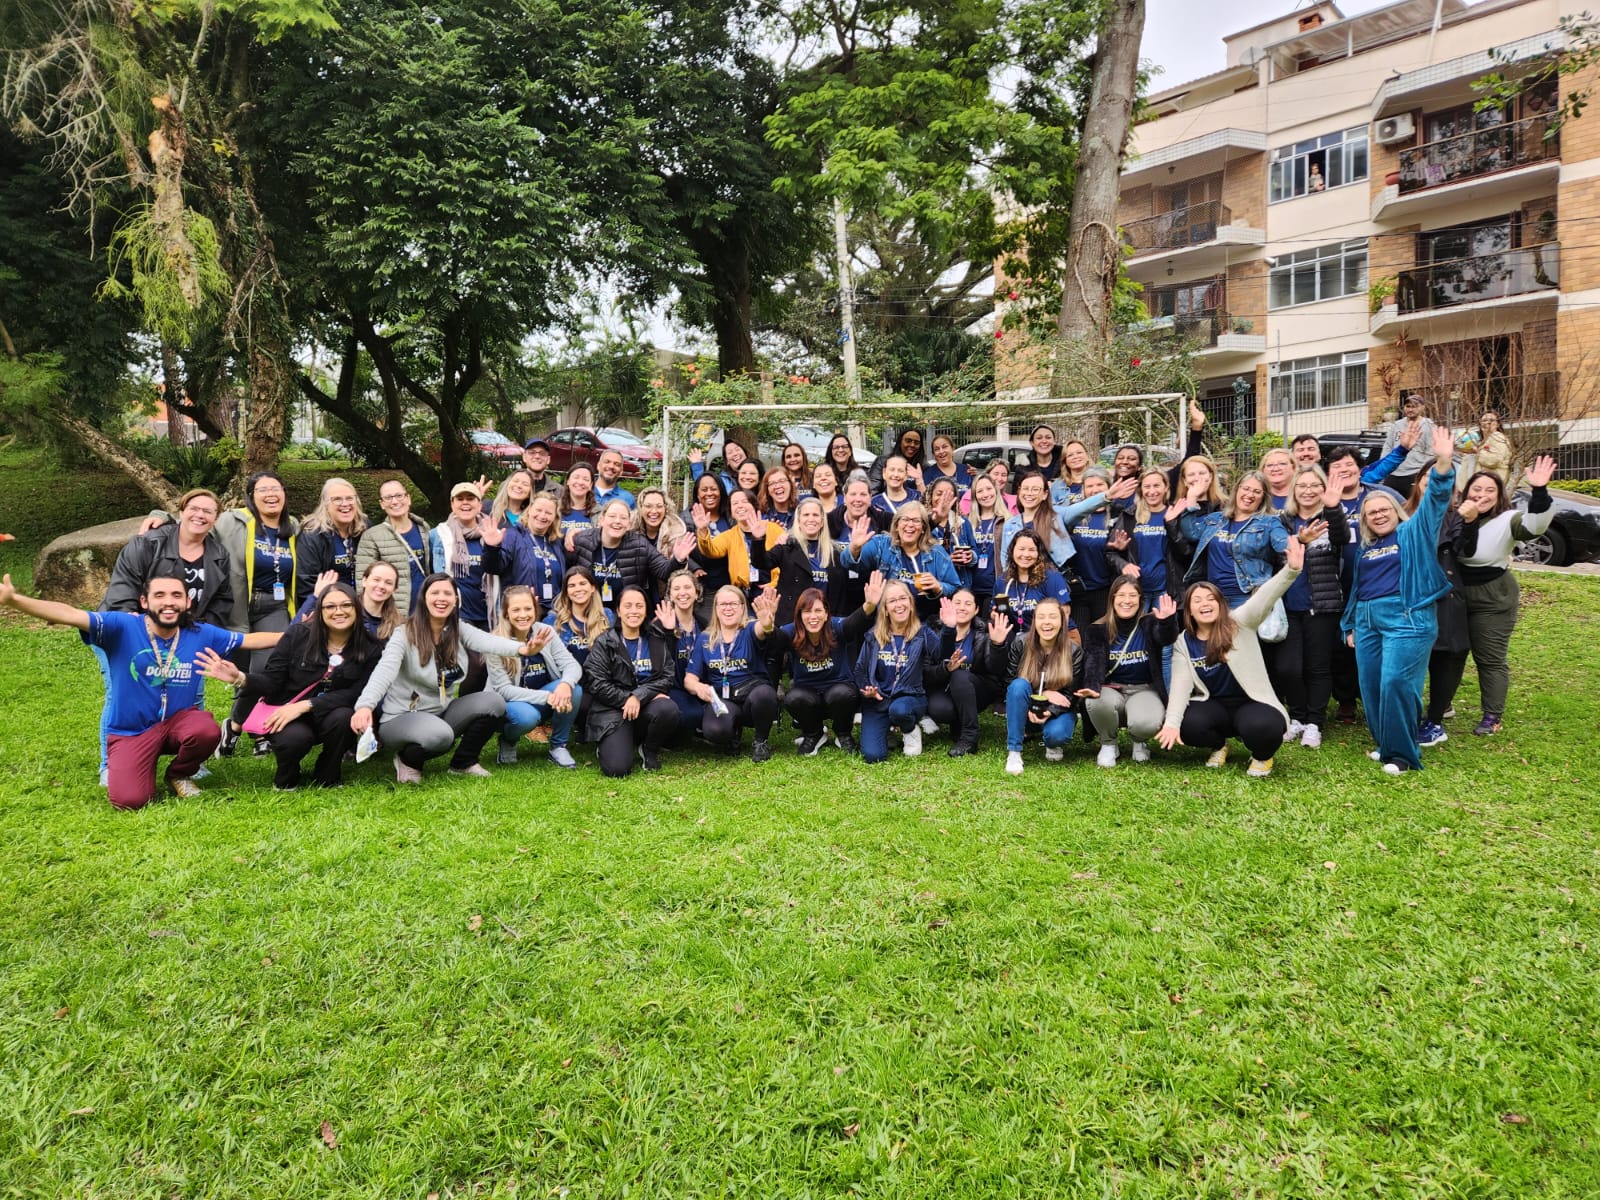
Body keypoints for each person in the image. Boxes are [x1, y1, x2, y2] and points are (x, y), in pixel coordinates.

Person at [0, 572, 278, 809]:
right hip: (132, 731)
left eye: (176, 595)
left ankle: (179, 773)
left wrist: (306, 631)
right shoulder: (121, 626)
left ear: (187, 602)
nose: (168, 602)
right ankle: (137, 766)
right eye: (159, 595)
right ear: (144, 601)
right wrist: (16, 600)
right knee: (130, 800)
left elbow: (250, 640)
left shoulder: (200, 633)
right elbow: (70, 614)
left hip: (178, 724)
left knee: (205, 730)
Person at [1340, 424, 1458, 774]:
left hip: (1407, 618)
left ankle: (1403, 756)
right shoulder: (1366, 547)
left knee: (1396, 683)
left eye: (1383, 508)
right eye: (1370, 512)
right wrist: (1351, 624)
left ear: (1396, 510)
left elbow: (1436, 499)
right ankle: (1386, 744)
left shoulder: (1413, 533)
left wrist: (1443, 461)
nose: (1377, 514)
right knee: (1373, 686)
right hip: (1367, 620)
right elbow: (1357, 590)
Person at [353, 573, 547, 783]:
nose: (441, 598)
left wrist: (523, 649)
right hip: (401, 717)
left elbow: (489, 642)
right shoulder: (405, 633)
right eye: (435, 592)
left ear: (455, 599)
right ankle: (408, 761)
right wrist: (365, 705)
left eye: (448, 593)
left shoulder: (457, 629)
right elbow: (384, 671)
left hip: (440, 712)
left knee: (494, 702)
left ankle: (463, 763)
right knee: (441, 736)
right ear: (424, 598)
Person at [96, 488, 233, 779]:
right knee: (120, 697)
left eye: (208, 511)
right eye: (194, 508)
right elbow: (122, 590)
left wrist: (204, 635)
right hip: (129, 632)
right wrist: (133, 630)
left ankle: (191, 761)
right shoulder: (149, 543)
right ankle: (109, 764)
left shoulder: (218, 554)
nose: (200, 515)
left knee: (192, 695)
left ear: (216, 519)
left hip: (183, 636)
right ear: (181, 511)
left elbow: (222, 600)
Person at [1157, 536, 1306, 779]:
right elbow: (1181, 687)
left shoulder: (1239, 623)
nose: (1204, 604)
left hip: (1251, 703)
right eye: (1197, 600)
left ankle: (1261, 756)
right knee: (1188, 723)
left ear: (1220, 604)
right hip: (1214, 706)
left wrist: (1290, 571)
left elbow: (1263, 597)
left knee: (1264, 727)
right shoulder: (1184, 641)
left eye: (1210, 599)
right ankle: (1219, 745)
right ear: (1190, 611)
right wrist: (1171, 723)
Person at [213, 582, 380, 791]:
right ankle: (287, 777)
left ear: (356, 608)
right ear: (320, 611)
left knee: (345, 718)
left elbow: (356, 692)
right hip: (287, 713)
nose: (339, 612)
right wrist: (240, 678)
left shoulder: (370, 646)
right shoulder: (298, 635)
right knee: (295, 739)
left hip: (329, 711)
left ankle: (328, 774)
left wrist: (306, 705)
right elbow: (271, 680)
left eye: (346, 605)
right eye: (330, 606)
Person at [1440, 455, 1557, 738]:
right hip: (1456, 594)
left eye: (1490, 490)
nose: (1482, 495)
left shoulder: (1508, 519)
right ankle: (1441, 706)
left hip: (1493, 596)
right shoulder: (1453, 517)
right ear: (1466, 492)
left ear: (1499, 495)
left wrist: (1539, 492)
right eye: (1476, 489)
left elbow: (1535, 526)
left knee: (1489, 658)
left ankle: (1492, 715)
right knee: (1451, 653)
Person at [1278, 466, 1349, 749]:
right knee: (1288, 668)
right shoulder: (1284, 521)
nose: (1307, 490)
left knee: (1318, 667)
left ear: (1323, 489)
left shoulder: (1331, 518)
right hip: (1288, 606)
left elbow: (1342, 538)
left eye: (1314, 485)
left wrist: (1332, 507)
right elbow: (1275, 553)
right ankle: (1296, 716)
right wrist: (1299, 541)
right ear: (1293, 490)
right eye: (1302, 485)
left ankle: (1314, 722)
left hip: (1321, 605)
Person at [1077, 577, 1178, 767]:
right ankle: (1108, 744)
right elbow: (1094, 662)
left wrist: (1166, 622)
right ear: (1112, 599)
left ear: (1140, 599)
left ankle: (1139, 741)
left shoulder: (1150, 623)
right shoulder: (1098, 629)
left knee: (1146, 723)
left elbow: (1165, 638)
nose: (1127, 600)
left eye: (1133, 595)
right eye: (1121, 595)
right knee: (1095, 700)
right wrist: (1091, 686)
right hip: (1112, 689)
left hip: (1143, 689)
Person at [583, 586, 681, 774]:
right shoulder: (605, 642)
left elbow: (667, 676)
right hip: (612, 709)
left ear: (646, 610)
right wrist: (628, 698)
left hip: (645, 704)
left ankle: (649, 749)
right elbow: (596, 683)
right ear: (618, 610)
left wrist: (638, 696)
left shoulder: (655, 638)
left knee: (668, 709)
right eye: (628, 606)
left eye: (639, 606)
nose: (634, 611)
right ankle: (609, 743)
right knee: (617, 769)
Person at [781, 577, 882, 756]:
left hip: (838, 693)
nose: (813, 617)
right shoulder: (791, 632)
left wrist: (870, 605)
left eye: (818, 610)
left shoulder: (836, 627)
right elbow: (773, 640)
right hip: (808, 695)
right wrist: (765, 626)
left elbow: (854, 622)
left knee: (842, 694)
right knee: (793, 697)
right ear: (799, 616)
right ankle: (814, 733)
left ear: (827, 613)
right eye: (807, 612)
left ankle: (843, 733)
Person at [486, 585, 583, 768]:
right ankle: (508, 739)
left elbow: (572, 665)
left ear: (535, 609)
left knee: (574, 689)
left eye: (528, 608)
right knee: (527, 716)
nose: (523, 615)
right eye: (516, 609)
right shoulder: (495, 642)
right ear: (506, 613)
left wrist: (565, 685)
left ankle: (558, 746)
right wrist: (550, 697)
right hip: (506, 705)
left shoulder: (545, 631)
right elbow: (503, 690)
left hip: (542, 700)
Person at [684, 585, 780, 761]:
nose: (728, 608)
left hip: (752, 695)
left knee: (765, 695)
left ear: (743, 607)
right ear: (716, 609)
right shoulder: (705, 638)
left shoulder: (750, 629)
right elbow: (689, 679)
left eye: (734, 604)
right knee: (715, 731)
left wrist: (767, 623)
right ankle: (732, 733)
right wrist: (698, 687)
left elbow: (763, 629)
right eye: (723, 604)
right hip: (724, 700)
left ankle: (760, 741)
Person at [853, 579, 942, 762]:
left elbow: (942, 654)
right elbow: (860, 670)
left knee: (899, 709)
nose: (899, 604)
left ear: (910, 603)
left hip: (910, 699)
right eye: (892, 601)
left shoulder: (922, 633)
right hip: (879, 701)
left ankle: (910, 729)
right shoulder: (873, 636)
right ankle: (889, 729)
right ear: (885, 609)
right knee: (873, 756)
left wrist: (948, 629)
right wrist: (867, 689)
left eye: (903, 598)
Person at [991, 597, 1081, 776]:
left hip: (1058, 710)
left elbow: (1072, 695)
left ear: (1062, 621)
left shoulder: (1073, 650)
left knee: (1057, 735)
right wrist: (1041, 696)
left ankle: (1051, 742)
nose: (1047, 622)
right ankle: (1015, 751)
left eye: (1053, 617)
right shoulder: (1021, 643)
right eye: (1041, 617)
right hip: (1025, 708)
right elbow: (1010, 683)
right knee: (1018, 685)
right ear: (1034, 621)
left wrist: (1051, 710)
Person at [1175, 469, 1289, 609]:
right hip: (1214, 597)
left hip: (1248, 597)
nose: (1250, 494)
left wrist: (1301, 538)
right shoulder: (1216, 519)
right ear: (1237, 490)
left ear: (1263, 498)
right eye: (1246, 488)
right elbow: (1192, 533)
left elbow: (1284, 545)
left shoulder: (1269, 522)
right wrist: (1191, 499)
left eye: (1257, 491)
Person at [842, 501, 960, 624]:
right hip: (886, 622)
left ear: (924, 528)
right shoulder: (881, 544)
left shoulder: (937, 553)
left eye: (916, 521)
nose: (910, 524)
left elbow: (955, 588)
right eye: (905, 519)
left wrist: (939, 587)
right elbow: (849, 564)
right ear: (897, 525)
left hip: (923, 624)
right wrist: (854, 548)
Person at [569, 498, 695, 607]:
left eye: (623, 518)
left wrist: (678, 559)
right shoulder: (582, 540)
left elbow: (663, 571)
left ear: (629, 524)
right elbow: (567, 573)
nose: (617, 521)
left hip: (624, 613)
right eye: (612, 516)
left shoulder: (639, 545)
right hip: (589, 609)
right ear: (601, 520)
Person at [924, 589, 1007, 757]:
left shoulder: (984, 633)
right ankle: (959, 722)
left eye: (968, 604)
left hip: (977, 690)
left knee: (960, 675)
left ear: (976, 610)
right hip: (943, 689)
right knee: (939, 709)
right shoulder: (932, 631)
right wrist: (946, 668)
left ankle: (969, 737)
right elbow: (926, 672)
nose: (962, 608)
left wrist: (998, 646)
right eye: (957, 603)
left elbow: (995, 670)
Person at [1061, 468, 1139, 622]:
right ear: (1082, 489)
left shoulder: (1119, 514)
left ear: (1109, 487)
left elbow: (1126, 553)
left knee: (1103, 636)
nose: (1094, 489)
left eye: (1099, 485)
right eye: (1089, 486)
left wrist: (1121, 549)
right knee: (1082, 638)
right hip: (1078, 589)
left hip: (1106, 588)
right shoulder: (1074, 514)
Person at [429, 481, 508, 629]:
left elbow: (499, 569)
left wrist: (493, 547)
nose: (465, 502)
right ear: (452, 505)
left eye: (470, 498)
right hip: (456, 613)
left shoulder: (493, 533)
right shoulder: (439, 535)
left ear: (479, 505)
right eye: (460, 499)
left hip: (489, 612)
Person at [760, 497, 850, 626]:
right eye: (806, 515)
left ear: (822, 521)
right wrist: (758, 539)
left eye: (815, 515)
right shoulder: (787, 546)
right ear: (799, 520)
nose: (811, 519)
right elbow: (762, 563)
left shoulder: (835, 552)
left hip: (825, 624)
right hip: (792, 622)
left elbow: (841, 592)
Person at [356, 479, 433, 615]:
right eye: (388, 498)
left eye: (399, 496)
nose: (395, 501)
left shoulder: (423, 528)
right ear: (382, 504)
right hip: (392, 614)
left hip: (424, 611)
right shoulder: (372, 536)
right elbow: (362, 582)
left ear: (408, 499)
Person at [692, 488, 784, 596]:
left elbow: (787, 559)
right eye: (735, 503)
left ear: (754, 505)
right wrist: (703, 530)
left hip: (772, 591)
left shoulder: (773, 529)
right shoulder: (730, 535)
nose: (740, 506)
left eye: (744, 501)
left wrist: (775, 584)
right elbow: (710, 550)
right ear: (731, 512)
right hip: (743, 593)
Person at [295, 477, 369, 602]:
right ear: (325, 504)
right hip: (328, 606)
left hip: (364, 603)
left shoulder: (366, 529)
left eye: (350, 498)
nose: (345, 504)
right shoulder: (312, 535)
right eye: (337, 499)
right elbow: (305, 583)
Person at [495, 492, 567, 610]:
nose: (542, 516)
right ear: (529, 510)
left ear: (555, 517)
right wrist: (492, 548)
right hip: (524, 610)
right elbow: (495, 567)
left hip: (554, 610)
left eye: (548, 513)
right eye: (538, 510)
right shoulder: (513, 535)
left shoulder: (556, 542)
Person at [654, 568, 705, 729]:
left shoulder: (704, 624)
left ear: (697, 593)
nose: (682, 593)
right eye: (676, 589)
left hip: (697, 685)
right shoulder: (659, 624)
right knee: (692, 715)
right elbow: (658, 664)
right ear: (670, 595)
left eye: (687, 587)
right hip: (671, 687)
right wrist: (669, 632)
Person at [995, 529, 1072, 633]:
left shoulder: (1052, 578)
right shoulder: (1002, 581)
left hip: (1052, 637)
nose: (1026, 554)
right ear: (1012, 551)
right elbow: (995, 613)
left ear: (1039, 553)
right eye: (1021, 549)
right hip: (1016, 640)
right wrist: (996, 613)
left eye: (1031, 550)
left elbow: (1065, 613)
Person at [960, 474, 1006, 612]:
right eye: (980, 491)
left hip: (995, 587)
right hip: (971, 587)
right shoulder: (966, 522)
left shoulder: (1007, 521)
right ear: (974, 496)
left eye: (988, 489)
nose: (985, 494)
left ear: (995, 491)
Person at [1381, 394, 1437, 500]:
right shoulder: (1396, 425)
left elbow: (1431, 452)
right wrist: (1384, 465)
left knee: (1413, 508)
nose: (1410, 409)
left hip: (1414, 474)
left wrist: (1424, 473)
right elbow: (1388, 446)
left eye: (1414, 406)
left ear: (1422, 407)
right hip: (1393, 474)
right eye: (1408, 406)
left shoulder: (1428, 426)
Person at [633, 486, 688, 559]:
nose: (654, 511)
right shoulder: (630, 529)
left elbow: (680, 568)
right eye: (648, 506)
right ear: (640, 507)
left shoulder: (676, 534)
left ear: (666, 508)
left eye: (659, 506)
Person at [356, 560, 404, 641]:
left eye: (388, 583)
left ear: (394, 589)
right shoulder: (348, 614)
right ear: (364, 581)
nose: (381, 586)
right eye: (376, 580)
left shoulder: (399, 625)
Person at [868, 429, 926, 494]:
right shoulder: (882, 462)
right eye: (908, 441)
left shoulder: (924, 467)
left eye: (916, 442)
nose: (912, 445)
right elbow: (872, 491)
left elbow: (927, 496)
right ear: (900, 442)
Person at [558, 462, 598, 543]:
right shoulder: (555, 508)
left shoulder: (599, 512)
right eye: (576, 477)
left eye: (585, 479)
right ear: (568, 481)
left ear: (591, 485)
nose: (580, 482)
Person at [1473, 410, 1513, 485]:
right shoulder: (1483, 441)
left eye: (1491, 420)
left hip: (1493, 484)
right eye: (1484, 420)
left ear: (1498, 424)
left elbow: (1494, 460)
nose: (1487, 423)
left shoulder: (1498, 437)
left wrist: (1477, 452)